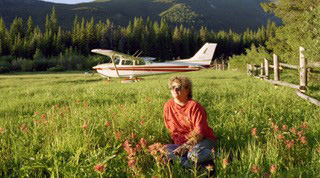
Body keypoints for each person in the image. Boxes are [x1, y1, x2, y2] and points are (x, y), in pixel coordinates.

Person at [164, 76, 216, 168]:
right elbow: (170, 129)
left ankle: (222, 155)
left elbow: (200, 134)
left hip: (202, 140)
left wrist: (186, 146)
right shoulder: (168, 106)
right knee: (161, 151)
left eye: (178, 87)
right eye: (172, 87)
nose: (175, 90)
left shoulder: (194, 106)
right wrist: (179, 147)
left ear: (187, 90)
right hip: (181, 143)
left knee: (194, 155)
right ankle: (197, 168)